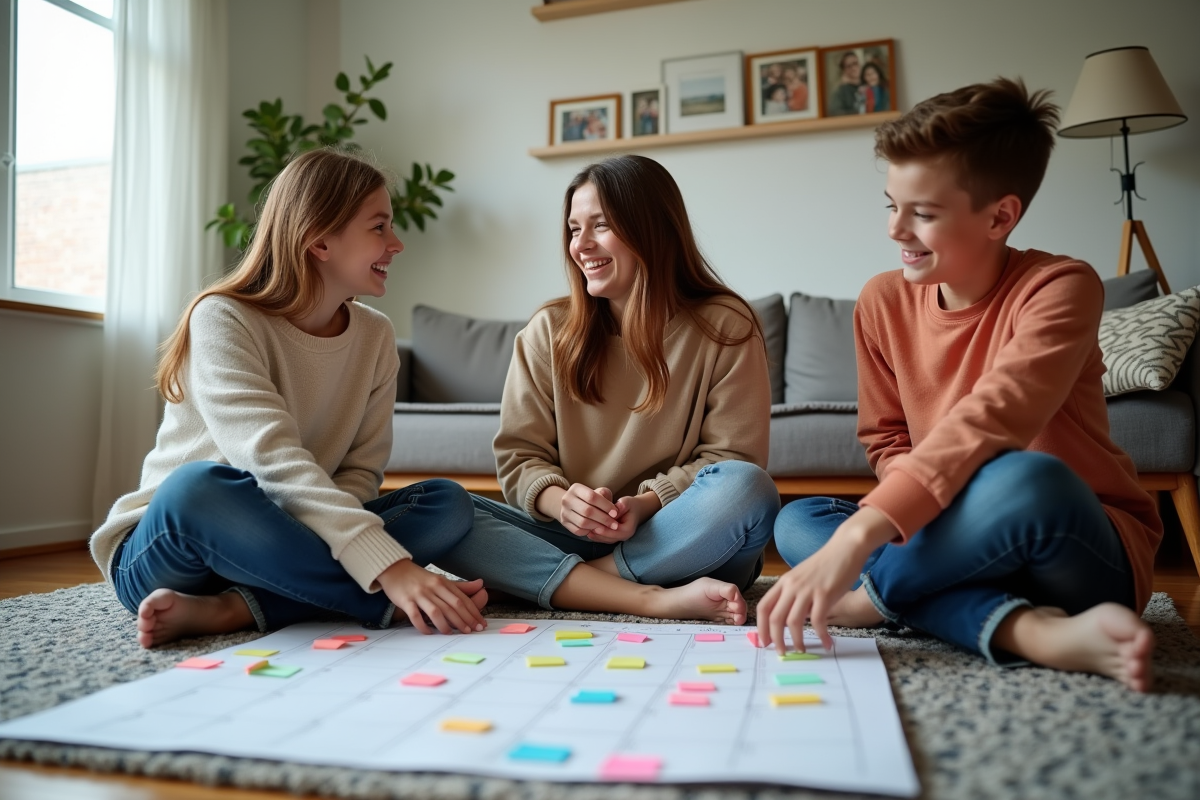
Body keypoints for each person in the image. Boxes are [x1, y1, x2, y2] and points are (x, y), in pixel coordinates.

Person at [759, 78, 1163, 692]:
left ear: (1001, 215)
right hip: (950, 537)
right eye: (890, 204)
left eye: (922, 213)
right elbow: (888, 438)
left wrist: (861, 544)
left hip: (1070, 541)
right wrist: (879, 520)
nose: (897, 229)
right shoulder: (880, 301)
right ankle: (1029, 633)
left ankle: (878, 595)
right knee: (800, 521)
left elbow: (997, 419)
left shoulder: (1062, 287)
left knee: (1024, 476)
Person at [93, 148, 490, 649]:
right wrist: (392, 569)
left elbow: (359, 475)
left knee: (445, 503)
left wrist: (374, 554)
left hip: (285, 543)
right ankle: (374, 599)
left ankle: (236, 608)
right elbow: (270, 461)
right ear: (320, 240)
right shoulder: (222, 317)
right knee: (198, 486)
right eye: (379, 227)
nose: (397, 243)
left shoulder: (375, 336)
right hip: (176, 548)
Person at [465, 154, 780, 623]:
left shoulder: (725, 327)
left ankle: (580, 582)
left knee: (748, 489)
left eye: (601, 225)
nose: (581, 245)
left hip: (687, 535)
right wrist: (563, 503)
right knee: (441, 508)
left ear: (652, 230)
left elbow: (731, 459)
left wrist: (649, 502)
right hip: (570, 534)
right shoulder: (546, 331)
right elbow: (518, 458)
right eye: (574, 229)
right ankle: (626, 589)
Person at [828, 50, 864, 115]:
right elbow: (836, 113)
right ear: (844, 70)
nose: (853, 68)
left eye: (855, 63)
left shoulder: (868, 84)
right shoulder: (840, 91)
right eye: (849, 66)